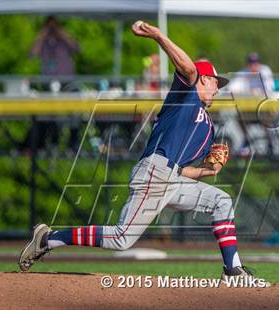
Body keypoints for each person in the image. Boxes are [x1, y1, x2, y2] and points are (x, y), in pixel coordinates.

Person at [19, 20, 265, 282]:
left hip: (171, 177)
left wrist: (209, 169)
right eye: (216, 83)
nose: (218, 89)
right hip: (155, 172)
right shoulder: (186, 95)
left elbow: (183, 170)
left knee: (222, 201)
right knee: (122, 238)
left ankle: (233, 270)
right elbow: (188, 68)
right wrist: (158, 35)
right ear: (204, 79)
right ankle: (49, 238)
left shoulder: (207, 126)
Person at [28, 16, 81, 151]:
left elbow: (77, 48)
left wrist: (60, 32)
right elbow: (32, 54)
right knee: (51, 115)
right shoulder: (43, 41)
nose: (52, 29)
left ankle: (73, 144)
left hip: (67, 83)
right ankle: (52, 144)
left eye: (54, 26)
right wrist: (42, 34)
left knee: (75, 112)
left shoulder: (64, 40)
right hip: (49, 85)